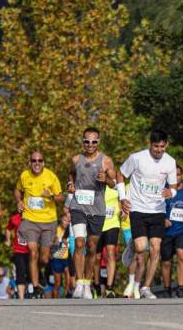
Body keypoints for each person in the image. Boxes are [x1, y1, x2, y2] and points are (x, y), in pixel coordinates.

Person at [117, 129, 177, 299]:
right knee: (141, 247)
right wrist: (123, 198)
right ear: (150, 144)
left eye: (162, 147)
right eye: (156, 146)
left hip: (157, 210)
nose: (159, 150)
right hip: (138, 208)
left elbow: (173, 187)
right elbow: (120, 174)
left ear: (166, 145)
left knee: (155, 248)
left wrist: (170, 193)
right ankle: (133, 246)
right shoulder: (137, 158)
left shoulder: (170, 162)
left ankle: (146, 287)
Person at [66, 128, 116, 300]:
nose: (90, 145)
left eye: (94, 141)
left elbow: (114, 183)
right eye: (87, 141)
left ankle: (87, 283)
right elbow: (71, 174)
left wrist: (106, 180)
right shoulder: (76, 159)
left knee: (92, 247)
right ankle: (79, 283)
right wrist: (70, 185)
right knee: (79, 243)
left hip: (97, 209)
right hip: (78, 206)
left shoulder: (106, 161)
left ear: (98, 142)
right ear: (82, 141)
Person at [14, 150, 64, 299]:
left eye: (40, 161)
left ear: (44, 162)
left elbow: (61, 197)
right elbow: (17, 190)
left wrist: (52, 196)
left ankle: (38, 272)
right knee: (32, 251)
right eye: (34, 161)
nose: (37, 163)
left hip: (49, 221)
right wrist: (19, 201)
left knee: (44, 258)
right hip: (29, 219)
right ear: (30, 162)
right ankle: (36, 287)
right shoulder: (24, 175)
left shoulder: (51, 176)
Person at [160, 165, 183, 298]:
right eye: (174, 175)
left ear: (182, 175)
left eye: (179, 175)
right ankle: (167, 288)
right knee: (166, 261)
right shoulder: (164, 189)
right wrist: (163, 218)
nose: (176, 177)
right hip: (167, 231)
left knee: (182, 255)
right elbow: (155, 205)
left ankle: (180, 287)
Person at [97, 185, 122, 298]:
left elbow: (122, 203)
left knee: (110, 253)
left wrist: (123, 212)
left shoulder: (115, 191)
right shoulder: (93, 191)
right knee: (96, 257)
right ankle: (96, 285)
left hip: (112, 224)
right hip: (96, 226)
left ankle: (109, 287)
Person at [50, 214, 72, 299]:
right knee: (57, 283)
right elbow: (50, 243)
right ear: (61, 221)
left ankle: (67, 293)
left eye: (68, 221)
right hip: (57, 257)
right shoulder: (56, 230)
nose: (66, 223)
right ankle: (55, 301)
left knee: (67, 273)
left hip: (67, 257)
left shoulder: (71, 230)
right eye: (64, 220)